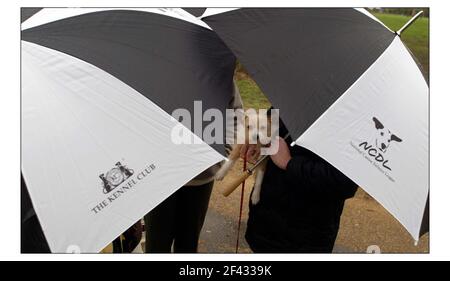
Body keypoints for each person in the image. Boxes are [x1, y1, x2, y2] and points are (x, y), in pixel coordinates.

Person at [144, 82, 243, 253]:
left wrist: (221, 155)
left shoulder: (219, 72)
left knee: (188, 245)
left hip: (201, 179)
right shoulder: (153, 68)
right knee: (156, 246)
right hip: (159, 179)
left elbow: (235, 115)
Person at [243, 121, 358, 253]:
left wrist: (289, 163)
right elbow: (274, 117)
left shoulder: (355, 121)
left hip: (302, 236)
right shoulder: (299, 100)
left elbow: (344, 183)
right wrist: (256, 136)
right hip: (265, 219)